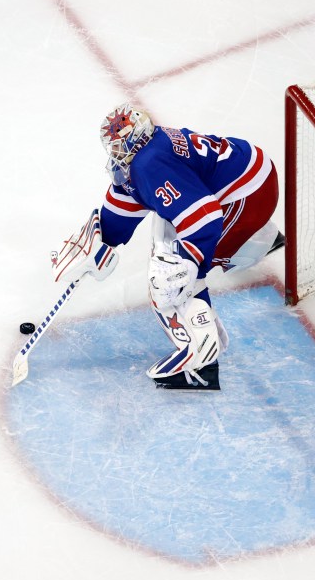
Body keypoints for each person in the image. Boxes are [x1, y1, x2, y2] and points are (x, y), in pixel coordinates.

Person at [50, 103, 283, 391]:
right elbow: (133, 195)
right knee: (172, 240)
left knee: (171, 275)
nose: (117, 154)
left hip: (249, 194)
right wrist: (101, 241)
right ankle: (258, 239)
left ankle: (201, 361)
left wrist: (188, 264)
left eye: (122, 147)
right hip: (248, 174)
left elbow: (205, 217)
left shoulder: (150, 163)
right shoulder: (144, 156)